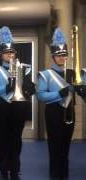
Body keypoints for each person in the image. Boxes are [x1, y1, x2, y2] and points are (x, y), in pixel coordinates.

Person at [0, 26, 35, 180]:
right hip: (0, 110)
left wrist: (28, 88)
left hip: (18, 109)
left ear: (15, 53)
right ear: (1, 54)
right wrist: (5, 88)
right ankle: (3, 169)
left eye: (11, 52)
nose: (9, 55)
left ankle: (15, 169)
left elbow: (29, 88)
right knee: (0, 141)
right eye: (6, 53)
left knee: (16, 140)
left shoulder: (23, 69)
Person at [37, 28, 86, 180]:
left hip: (69, 111)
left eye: (64, 55)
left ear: (67, 56)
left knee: (65, 147)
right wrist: (58, 94)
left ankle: (64, 175)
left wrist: (82, 90)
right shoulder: (45, 74)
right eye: (58, 56)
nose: (62, 58)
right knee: (54, 147)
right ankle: (55, 175)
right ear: (53, 56)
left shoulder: (75, 73)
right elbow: (40, 96)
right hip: (53, 112)